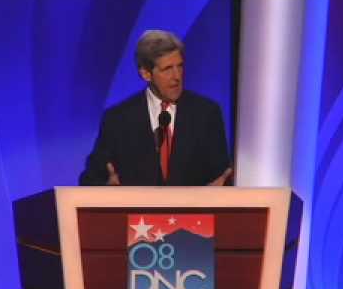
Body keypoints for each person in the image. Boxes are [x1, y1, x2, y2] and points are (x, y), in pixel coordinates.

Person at [79, 29, 232, 186]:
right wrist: (106, 188)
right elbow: (89, 180)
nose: (177, 76)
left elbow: (222, 176)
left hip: (191, 209)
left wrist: (218, 190)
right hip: (137, 209)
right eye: (167, 69)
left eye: (179, 66)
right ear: (146, 74)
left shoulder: (206, 113)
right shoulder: (118, 119)